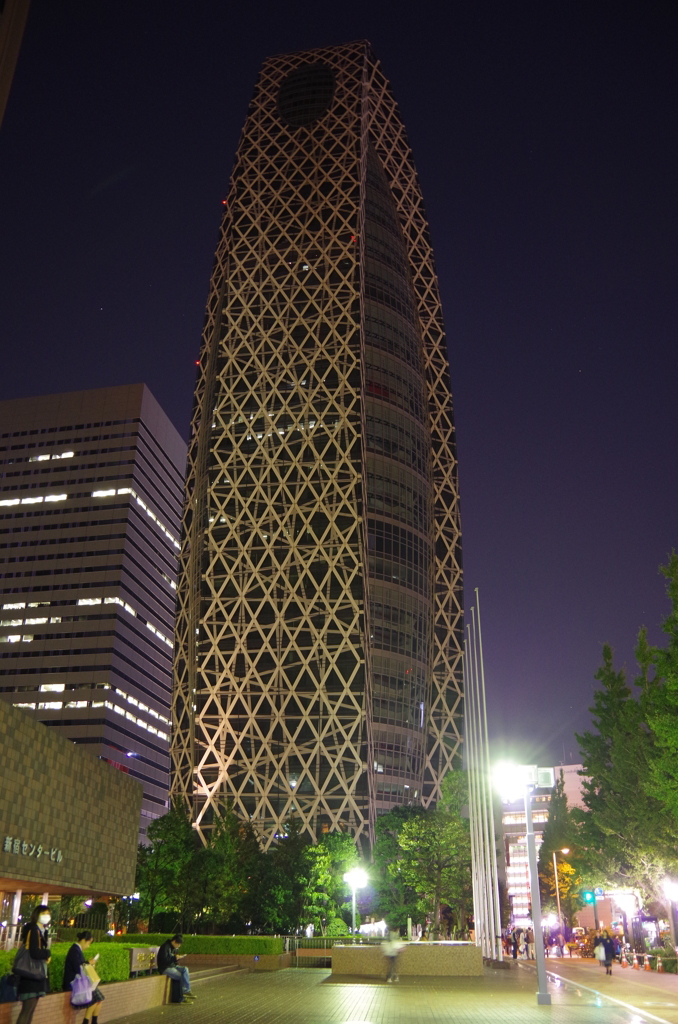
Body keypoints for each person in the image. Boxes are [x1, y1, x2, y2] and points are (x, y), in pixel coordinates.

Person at [15, 905, 51, 1024]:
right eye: (44, 913)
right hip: (30, 975)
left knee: (30, 1010)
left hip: (34, 975)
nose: (47, 916)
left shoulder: (40, 931)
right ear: (37, 915)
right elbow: (34, 952)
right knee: (27, 1010)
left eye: (48, 913)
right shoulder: (34, 930)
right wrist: (47, 953)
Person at [63, 930, 105, 1024]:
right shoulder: (74, 950)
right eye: (89, 943)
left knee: (99, 999)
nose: (88, 946)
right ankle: (86, 1022)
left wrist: (88, 964)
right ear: (83, 940)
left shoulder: (77, 950)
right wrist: (88, 963)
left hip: (79, 981)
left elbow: (80, 966)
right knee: (95, 999)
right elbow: (78, 967)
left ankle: (94, 1021)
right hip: (73, 982)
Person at [157, 934, 194, 1001]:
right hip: (165, 968)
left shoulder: (172, 948)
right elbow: (164, 960)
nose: (179, 946)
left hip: (172, 966)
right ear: (174, 941)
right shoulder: (165, 947)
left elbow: (172, 959)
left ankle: (186, 990)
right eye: (178, 944)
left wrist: (177, 959)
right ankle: (182, 996)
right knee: (181, 976)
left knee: (185, 969)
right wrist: (174, 957)